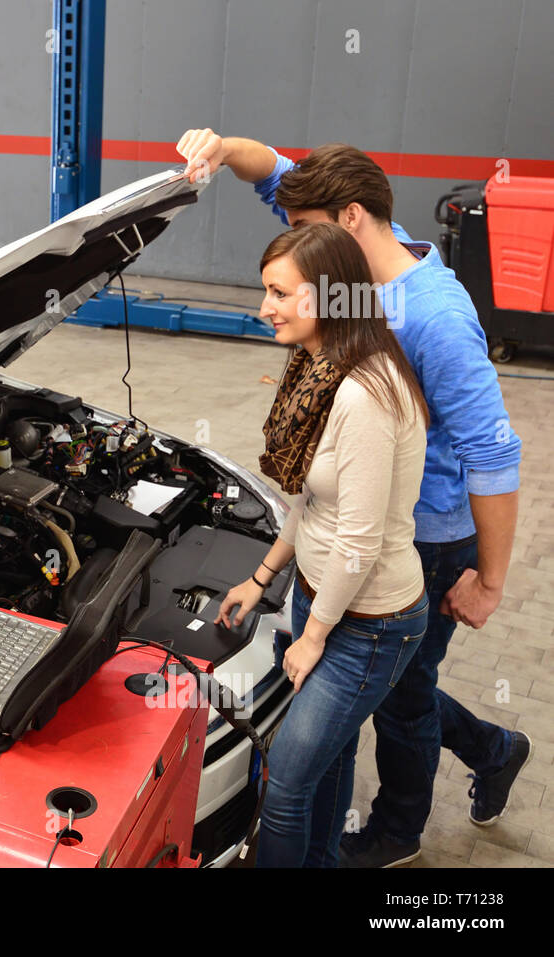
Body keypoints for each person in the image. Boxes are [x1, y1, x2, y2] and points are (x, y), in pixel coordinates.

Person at [179, 130, 529, 867]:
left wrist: (490, 580)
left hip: (428, 535)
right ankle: (492, 749)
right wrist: (215, 147)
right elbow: (271, 167)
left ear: (351, 220)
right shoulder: (342, 255)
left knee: (399, 699)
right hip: (355, 525)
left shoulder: (432, 318)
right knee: (385, 691)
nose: (290, 242)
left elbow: (494, 452)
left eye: (301, 234)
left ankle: (401, 830)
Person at [216, 222, 429, 867]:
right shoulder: (322, 371)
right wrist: (261, 579)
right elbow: (306, 504)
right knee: (328, 763)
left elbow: (359, 541)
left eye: (279, 293)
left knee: (283, 776)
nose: (264, 307)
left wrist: (313, 638)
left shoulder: (365, 393)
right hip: (322, 600)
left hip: (368, 624)